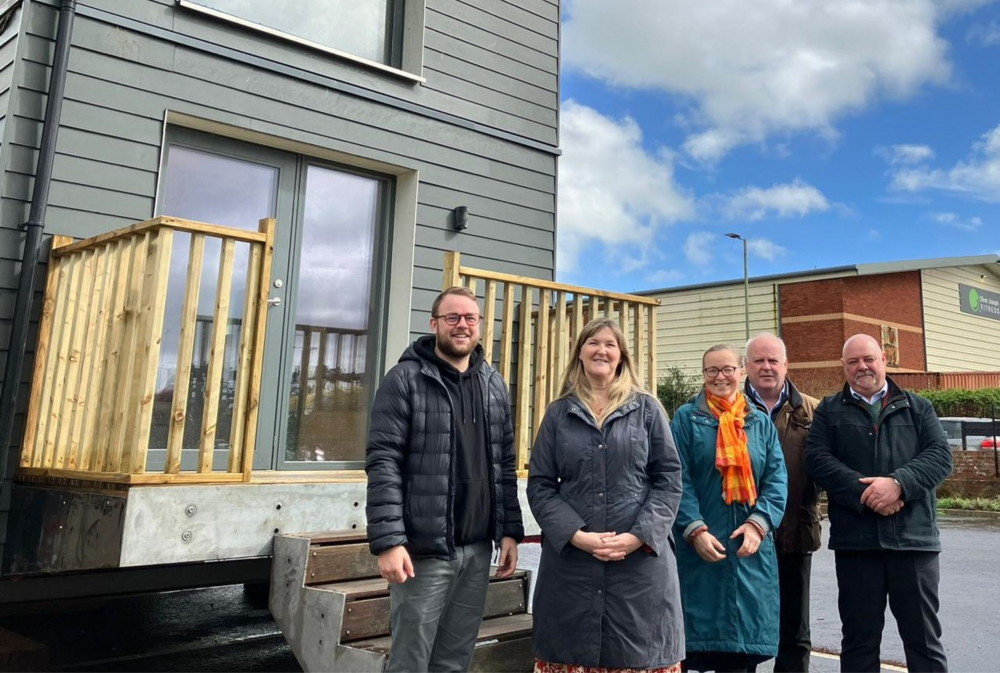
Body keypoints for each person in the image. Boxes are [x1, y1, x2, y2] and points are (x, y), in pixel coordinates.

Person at [364, 286, 524, 673]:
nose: (462, 325)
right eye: (452, 317)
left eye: (470, 317)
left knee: (454, 661)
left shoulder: (494, 385)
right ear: (434, 324)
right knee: (410, 661)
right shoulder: (404, 379)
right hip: (424, 552)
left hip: (477, 548)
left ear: (480, 326)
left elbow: (504, 463)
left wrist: (510, 531)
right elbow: (383, 461)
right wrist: (389, 541)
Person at [527, 318, 685, 673]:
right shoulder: (558, 413)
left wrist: (638, 537)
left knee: (638, 653)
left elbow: (669, 479)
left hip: (639, 567)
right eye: (593, 343)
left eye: (610, 344)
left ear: (621, 356)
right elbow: (540, 485)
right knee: (570, 652)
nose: (601, 350)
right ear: (580, 353)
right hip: (571, 566)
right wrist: (575, 535)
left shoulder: (647, 409)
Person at [806, 334, 952, 673]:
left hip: (914, 543)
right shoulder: (828, 411)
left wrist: (899, 483)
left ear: (883, 360)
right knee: (858, 643)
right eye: (853, 361)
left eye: (868, 359)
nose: (862, 367)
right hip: (857, 545)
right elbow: (818, 461)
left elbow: (940, 456)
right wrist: (867, 495)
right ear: (844, 366)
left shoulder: (918, 407)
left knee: (924, 642)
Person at [671, 344, 787, 673]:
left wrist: (759, 523)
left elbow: (777, 479)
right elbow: (677, 478)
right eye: (712, 370)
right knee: (696, 650)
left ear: (741, 371)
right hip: (700, 551)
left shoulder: (759, 422)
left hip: (749, 551)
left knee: (740, 657)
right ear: (704, 374)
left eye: (728, 369)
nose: (720, 377)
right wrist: (693, 528)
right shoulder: (685, 419)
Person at [743, 333, 820, 673]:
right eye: (758, 360)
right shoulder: (727, 410)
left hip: (794, 531)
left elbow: (828, 467)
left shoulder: (814, 411)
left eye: (773, 360)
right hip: (741, 536)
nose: (766, 366)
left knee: (794, 632)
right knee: (742, 627)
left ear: (786, 365)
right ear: (746, 366)